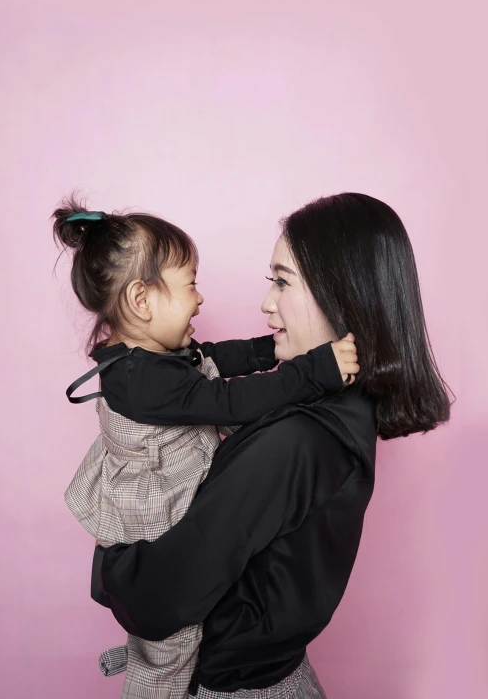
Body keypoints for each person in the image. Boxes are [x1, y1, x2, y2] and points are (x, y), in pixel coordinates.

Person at [95, 192, 451, 699]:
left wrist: (109, 555)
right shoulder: (338, 413)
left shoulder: (296, 441)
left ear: (342, 294)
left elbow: (157, 602)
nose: (266, 303)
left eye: (282, 281)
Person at [52, 198, 359, 699]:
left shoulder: (155, 357)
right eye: (190, 284)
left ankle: (144, 651)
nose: (199, 300)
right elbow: (225, 400)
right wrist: (311, 370)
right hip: (153, 511)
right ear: (142, 301)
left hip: (174, 489)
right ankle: (152, 672)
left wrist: (267, 349)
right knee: (174, 637)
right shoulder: (138, 380)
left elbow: (212, 359)